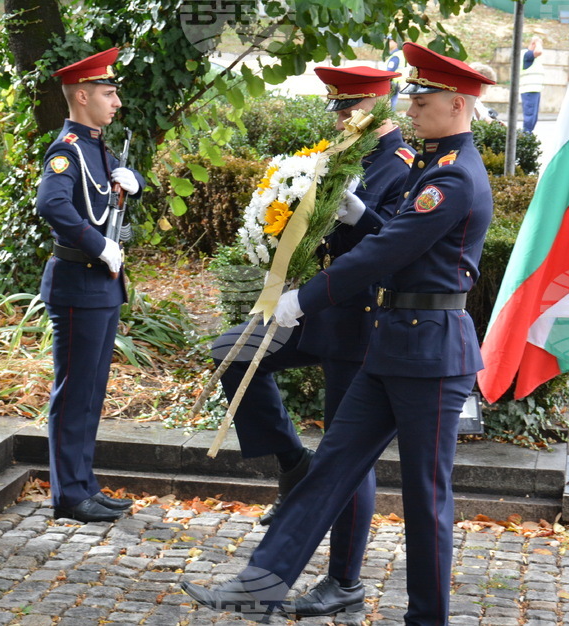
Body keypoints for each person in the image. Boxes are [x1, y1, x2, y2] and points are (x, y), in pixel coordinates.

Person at [183, 42, 495, 625]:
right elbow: (389, 243)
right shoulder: (432, 164)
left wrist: (305, 296)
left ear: (457, 104)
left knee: (427, 500)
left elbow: (385, 251)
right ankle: (260, 583)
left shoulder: (450, 179)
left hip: (430, 353)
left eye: (423, 96)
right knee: (330, 469)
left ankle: (426, 619)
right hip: (392, 343)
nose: (412, 104)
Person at [210, 64, 413, 617]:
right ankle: (292, 465)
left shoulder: (400, 165)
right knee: (232, 352)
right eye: (338, 109)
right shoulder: (341, 153)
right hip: (313, 308)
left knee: (348, 457)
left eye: (350, 108)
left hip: (358, 322)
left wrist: (362, 213)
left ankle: (343, 580)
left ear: (378, 108)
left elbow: (397, 243)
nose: (341, 117)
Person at [36, 47, 145, 522]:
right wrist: (98, 246)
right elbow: (53, 205)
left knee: (91, 392)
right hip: (79, 283)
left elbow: (110, 188)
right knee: (74, 392)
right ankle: (68, 495)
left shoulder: (97, 145)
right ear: (82, 96)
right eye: (108, 91)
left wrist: (134, 181)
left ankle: (84, 484)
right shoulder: (67, 150)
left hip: (100, 287)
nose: (116, 100)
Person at [520, 35, 545, 133]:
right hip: (529, 89)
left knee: (533, 116)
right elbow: (539, 51)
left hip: (534, 89)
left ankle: (528, 134)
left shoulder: (531, 56)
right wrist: (537, 42)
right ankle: (526, 135)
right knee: (530, 115)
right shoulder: (527, 54)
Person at [385, 39, 407, 109]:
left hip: (392, 83)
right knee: (392, 104)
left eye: (390, 41)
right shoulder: (400, 54)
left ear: (396, 42)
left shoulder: (396, 55)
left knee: (389, 106)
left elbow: (389, 72)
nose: (387, 43)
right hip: (396, 83)